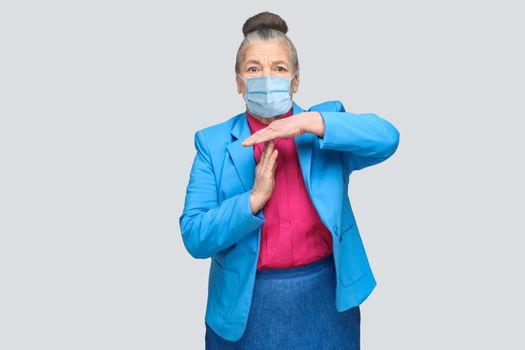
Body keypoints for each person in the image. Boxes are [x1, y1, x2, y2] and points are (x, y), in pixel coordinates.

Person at [179, 11, 400, 349]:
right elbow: (195, 236)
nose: (266, 77)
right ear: (238, 81)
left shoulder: (325, 131)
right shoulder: (212, 143)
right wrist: (252, 201)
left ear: (295, 81)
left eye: (279, 69)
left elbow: (388, 138)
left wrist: (313, 123)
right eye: (254, 69)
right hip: (247, 305)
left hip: (325, 298)